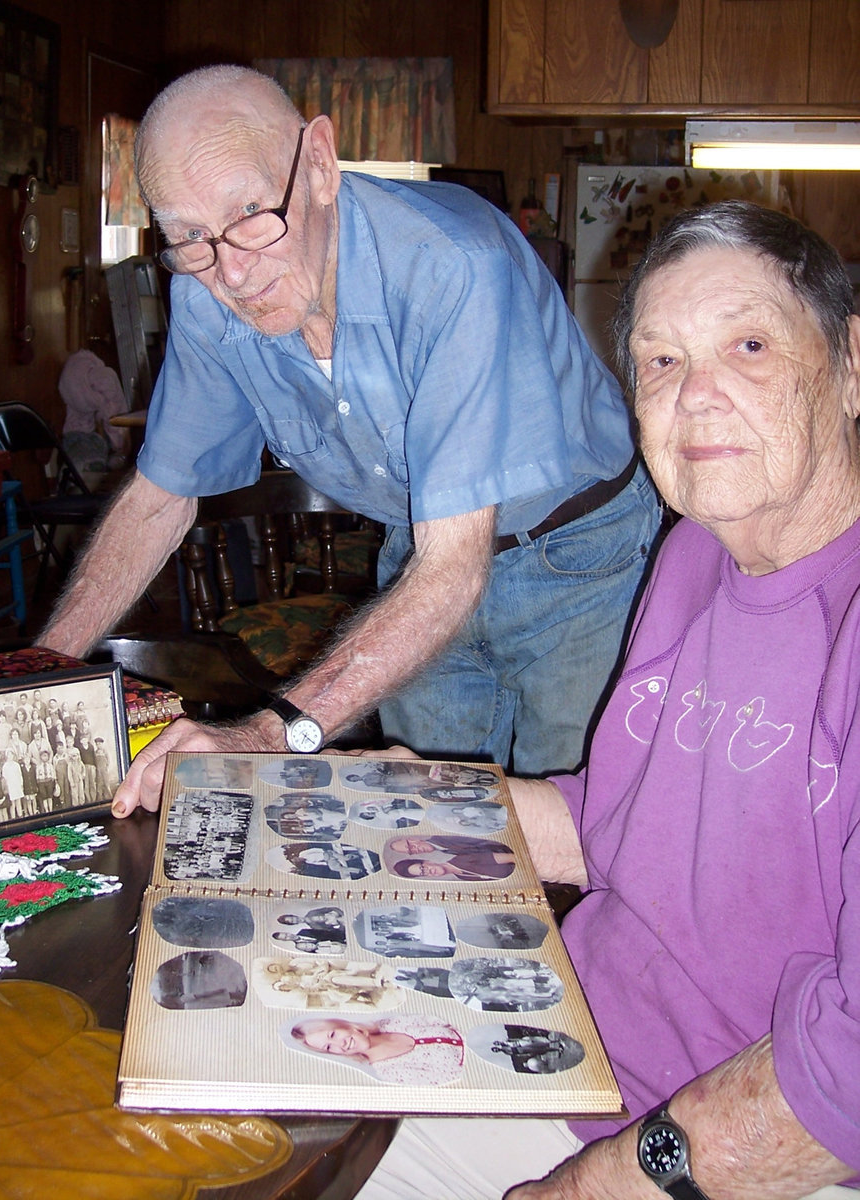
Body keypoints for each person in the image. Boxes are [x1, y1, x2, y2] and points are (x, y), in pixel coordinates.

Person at [355, 201, 860, 1200]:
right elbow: (619, 823)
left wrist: (584, 1188)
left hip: (739, 1149)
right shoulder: (689, 555)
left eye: (747, 345)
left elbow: (841, 1082)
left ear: (849, 365)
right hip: (564, 1041)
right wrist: (412, 802)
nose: (696, 396)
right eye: (658, 363)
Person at [38, 62, 660, 811]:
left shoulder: (453, 266)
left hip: (579, 557)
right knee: (432, 829)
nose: (232, 272)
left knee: (576, 829)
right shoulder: (207, 289)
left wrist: (267, 735)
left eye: (251, 215)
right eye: (190, 237)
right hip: (421, 556)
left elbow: (454, 572)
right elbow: (159, 499)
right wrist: (40, 671)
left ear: (321, 165)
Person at [290, 1015, 464, 1086]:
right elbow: (455, 1079)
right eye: (329, 1047)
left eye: (333, 1034)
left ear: (344, 1025)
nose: (340, 1044)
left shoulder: (390, 1023)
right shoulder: (386, 1072)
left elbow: (449, 1018)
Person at [386, 834, 517, 881]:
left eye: (423, 867)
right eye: (423, 873)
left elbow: (514, 857)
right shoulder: (462, 877)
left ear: (427, 861)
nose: (428, 871)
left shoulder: (463, 859)